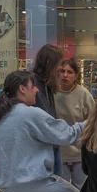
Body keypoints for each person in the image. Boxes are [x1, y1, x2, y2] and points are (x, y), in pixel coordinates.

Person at [54, 59, 95, 190]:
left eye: (69, 72)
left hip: (80, 153)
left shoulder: (84, 94)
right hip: (59, 152)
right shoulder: (52, 93)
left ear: (76, 76)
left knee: (81, 190)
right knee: (62, 191)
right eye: (62, 71)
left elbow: (93, 121)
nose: (65, 75)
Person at [31, 44, 64, 176]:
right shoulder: (34, 85)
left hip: (51, 146)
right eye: (59, 64)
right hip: (42, 149)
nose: (61, 69)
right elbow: (43, 121)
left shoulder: (46, 85)